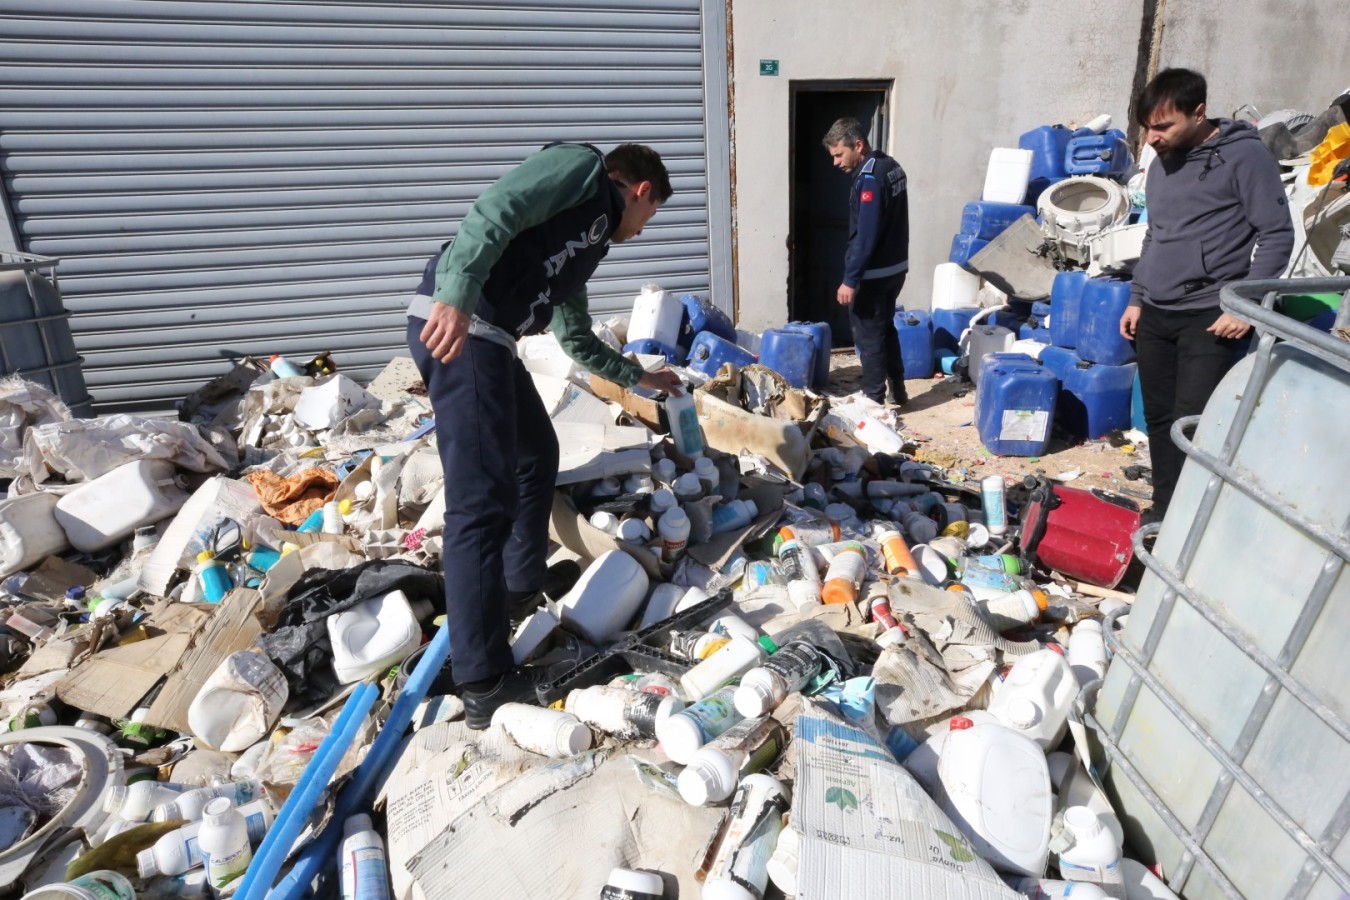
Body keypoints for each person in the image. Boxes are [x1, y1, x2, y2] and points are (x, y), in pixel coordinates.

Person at [407, 142, 682, 729]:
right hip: (462, 327)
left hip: (492, 341)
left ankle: (517, 589)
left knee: (536, 455)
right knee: (480, 501)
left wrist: (641, 378)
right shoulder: (581, 171)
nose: (642, 229)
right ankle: (483, 680)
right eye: (649, 216)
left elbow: (576, 339)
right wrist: (454, 295)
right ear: (640, 191)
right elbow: (496, 208)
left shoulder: (582, 246)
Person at [1118, 69, 1293, 522]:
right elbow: (1155, 234)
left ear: (1198, 113)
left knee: (1191, 423)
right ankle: (1164, 512)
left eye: (1163, 127)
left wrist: (1247, 305)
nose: (1152, 138)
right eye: (1147, 128)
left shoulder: (1245, 158)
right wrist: (1137, 296)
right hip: (1156, 311)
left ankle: (1196, 518)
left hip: (1209, 316)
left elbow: (1275, 235)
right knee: (1157, 419)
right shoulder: (1161, 163)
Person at [822, 117, 911, 407]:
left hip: (874, 274)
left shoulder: (870, 178)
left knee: (870, 337)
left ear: (857, 145)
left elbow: (867, 235)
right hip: (896, 268)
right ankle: (898, 388)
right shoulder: (892, 166)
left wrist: (850, 279)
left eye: (839, 154)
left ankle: (874, 400)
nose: (835, 162)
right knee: (886, 328)